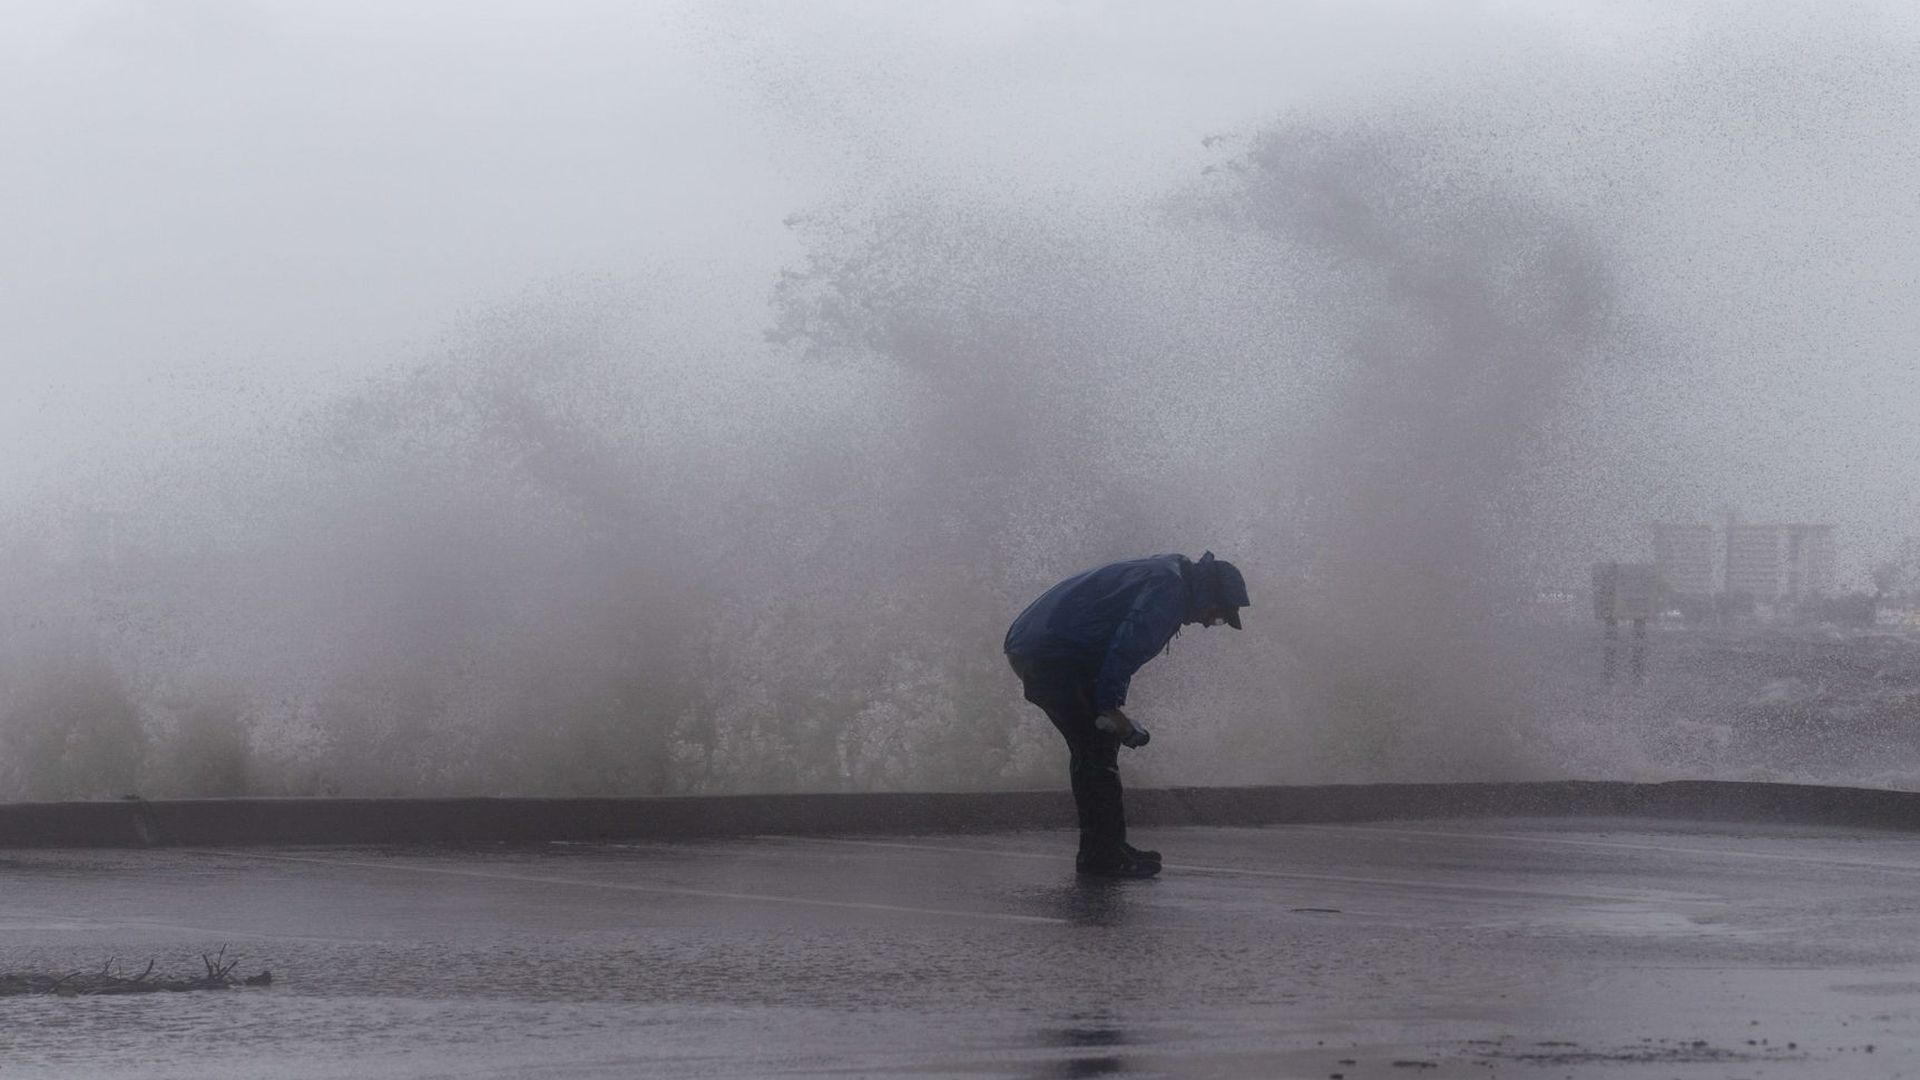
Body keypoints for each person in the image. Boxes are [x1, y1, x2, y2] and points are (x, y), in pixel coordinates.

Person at [1004, 551, 1250, 878]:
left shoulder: (1170, 574)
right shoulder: (1170, 589)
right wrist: (1109, 707)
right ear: (1212, 593)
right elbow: (1126, 647)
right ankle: (1102, 856)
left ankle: (1108, 848)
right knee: (1095, 747)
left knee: (1097, 747)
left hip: (1041, 647)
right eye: (1218, 616)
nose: (1209, 623)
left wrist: (1110, 709)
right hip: (1049, 654)